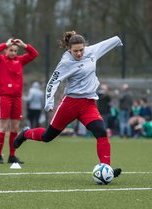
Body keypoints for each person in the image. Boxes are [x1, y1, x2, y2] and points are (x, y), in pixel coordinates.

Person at [13, 31, 122, 178]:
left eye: (81, 50)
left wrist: (117, 39)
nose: (79, 53)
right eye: (75, 51)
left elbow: (105, 45)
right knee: (47, 137)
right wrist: (49, 102)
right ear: (69, 49)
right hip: (70, 104)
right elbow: (53, 82)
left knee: (101, 132)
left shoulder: (90, 52)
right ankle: (25, 133)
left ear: (85, 47)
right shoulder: (65, 63)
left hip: (88, 104)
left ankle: (106, 168)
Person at [0, 37, 38, 164]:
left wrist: (24, 45)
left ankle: (12, 155)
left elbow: (34, 54)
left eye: (15, 51)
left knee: (15, 128)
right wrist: (5, 44)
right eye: (10, 50)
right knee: (3, 127)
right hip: (5, 97)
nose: (13, 53)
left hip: (17, 98)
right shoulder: (0, 60)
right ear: (5, 50)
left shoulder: (20, 61)